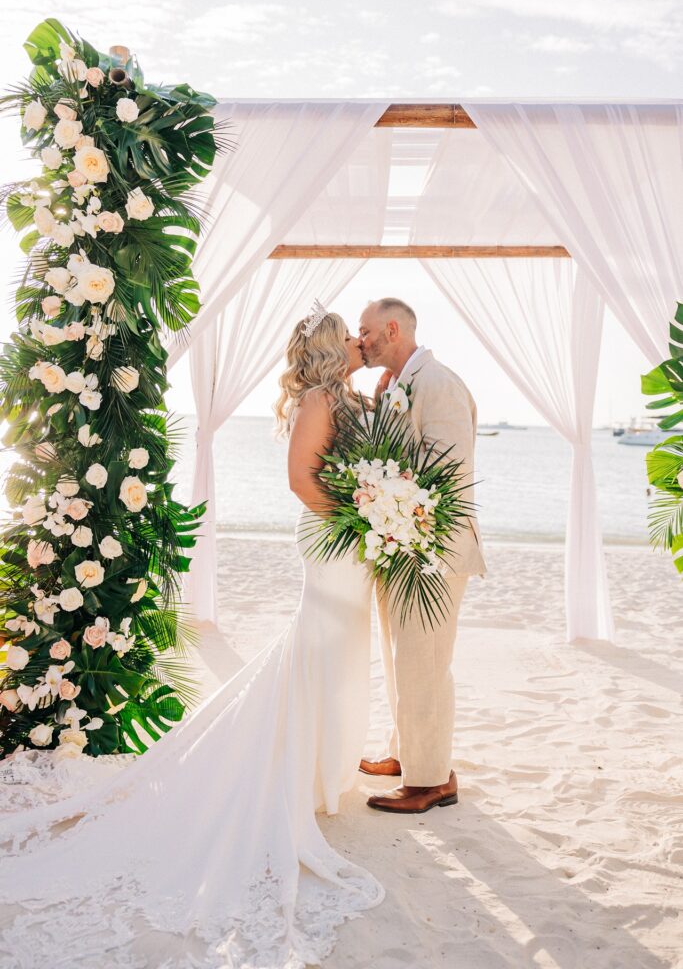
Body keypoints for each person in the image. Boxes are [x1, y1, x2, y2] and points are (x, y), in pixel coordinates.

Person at [0, 308, 384, 969]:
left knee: (336, 653)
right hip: (334, 542)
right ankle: (299, 773)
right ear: (329, 348)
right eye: (348, 332)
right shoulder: (322, 398)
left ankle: (319, 771)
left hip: (349, 541)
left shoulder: (343, 396)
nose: (357, 340)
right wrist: (359, 517)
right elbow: (300, 481)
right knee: (319, 649)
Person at [357, 297, 486, 814]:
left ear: (392, 329)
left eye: (366, 331)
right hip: (403, 544)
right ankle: (406, 753)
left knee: (425, 663)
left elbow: (445, 473)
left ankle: (431, 780)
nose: (360, 341)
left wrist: (388, 425)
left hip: (435, 549)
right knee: (400, 659)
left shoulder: (438, 384)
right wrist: (381, 409)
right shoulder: (397, 385)